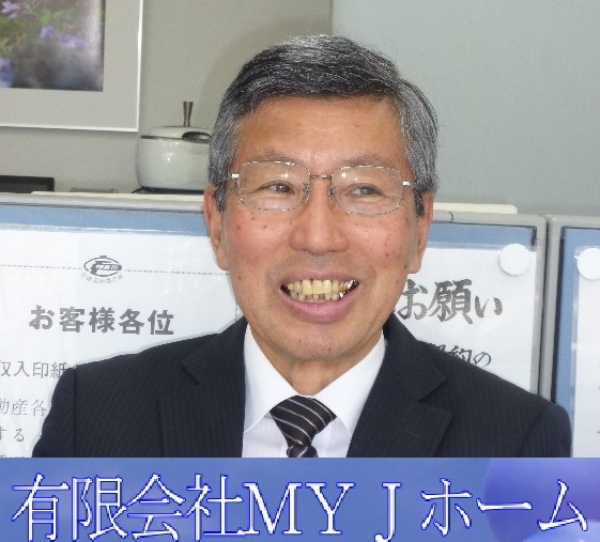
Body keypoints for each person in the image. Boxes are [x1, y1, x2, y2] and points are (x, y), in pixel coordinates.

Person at [33, 35, 571, 458]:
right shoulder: (96, 416)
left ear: (420, 228)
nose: (318, 237)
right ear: (217, 224)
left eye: (364, 190)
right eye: (278, 186)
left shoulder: (519, 440)